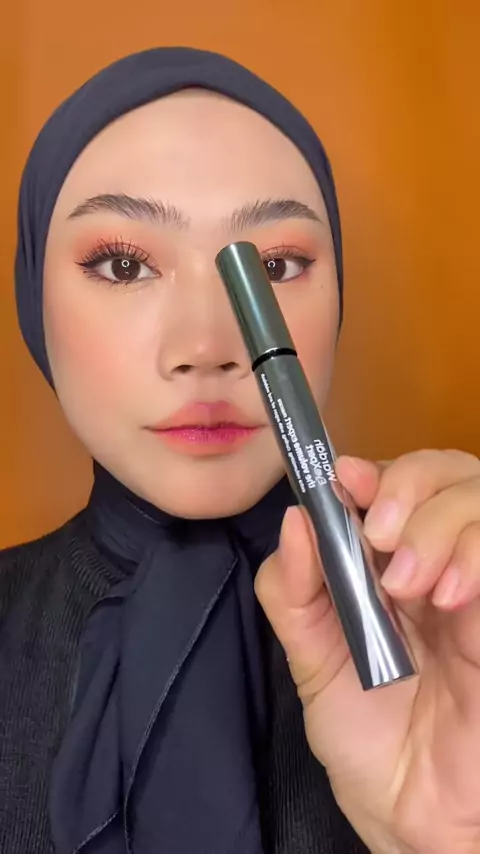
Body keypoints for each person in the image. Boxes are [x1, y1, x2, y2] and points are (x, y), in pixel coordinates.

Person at [2, 45, 480, 854]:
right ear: (32, 300)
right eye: (123, 265)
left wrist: (447, 834)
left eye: (276, 264)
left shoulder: (446, 631)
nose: (209, 347)